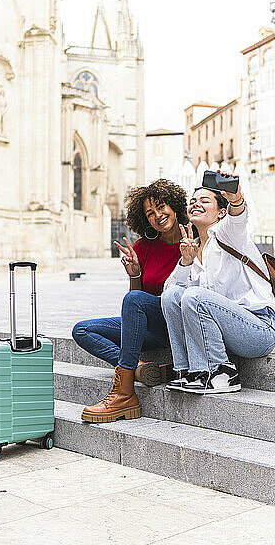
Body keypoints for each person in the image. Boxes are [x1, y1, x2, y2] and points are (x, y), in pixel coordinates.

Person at [72, 179, 187, 423]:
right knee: (81, 330)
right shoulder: (144, 246)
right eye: (150, 213)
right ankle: (139, 367)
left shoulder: (194, 239)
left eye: (161, 206)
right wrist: (135, 274)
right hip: (152, 327)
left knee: (134, 299)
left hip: (179, 323)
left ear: (174, 205)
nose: (158, 215)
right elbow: (136, 299)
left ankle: (124, 392)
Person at [161, 178, 275, 394]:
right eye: (193, 201)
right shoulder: (193, 247)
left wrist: (236, 200)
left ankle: (222, 372)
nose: (195, 204)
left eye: (205, 201)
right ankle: (189, 372)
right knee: (172, 296)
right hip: (227, 333)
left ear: (221, 213)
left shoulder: (228, 234)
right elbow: (169, 295)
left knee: (195, 296)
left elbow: (238, 217)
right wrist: (186, 263)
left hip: (259, 330)